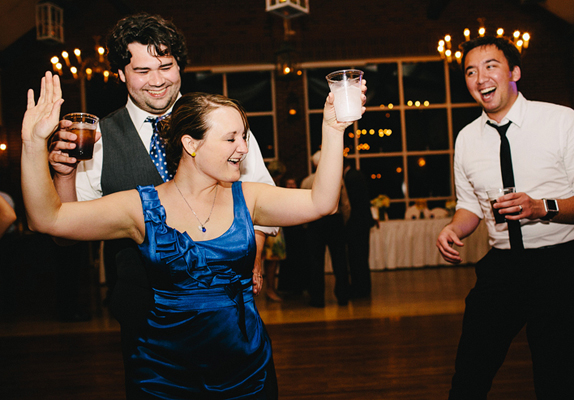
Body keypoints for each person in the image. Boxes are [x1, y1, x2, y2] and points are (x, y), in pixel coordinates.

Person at [21, 72, 366, 398]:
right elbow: (47, 219)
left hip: (246, 371)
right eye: (231, 138)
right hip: (163, 375)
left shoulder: (250, 197)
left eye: (243, 136)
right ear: (191, 144)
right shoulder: (141, 207)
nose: (243, 148)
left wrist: (333, 130)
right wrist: (33, 143)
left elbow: (324, 203)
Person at [48, 13, 277, 395]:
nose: (157, 80)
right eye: (142, 70)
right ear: (120, 74)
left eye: (166, 66)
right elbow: (65, 234)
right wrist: (63, 175)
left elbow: (262, 204)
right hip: (144, 318)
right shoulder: (99, 138)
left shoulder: (222, 124)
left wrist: (253, 259)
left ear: (180, 66)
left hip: (226, 314)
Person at [436, 36, 574, 399]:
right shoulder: (466, 139)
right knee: (469, 373)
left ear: (515, 73)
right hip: (503, 266)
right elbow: (470, 207)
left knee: (556, 376)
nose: (480, 78)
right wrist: (453, 228)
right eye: (470, 71)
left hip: (561, 264)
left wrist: (541, 207)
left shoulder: (561, 121)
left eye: (491, 66)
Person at [301, 150, 351, 307]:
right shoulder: (338, 180)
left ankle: (317, 299)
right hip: (335, 221)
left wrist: (306, 225)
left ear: (314, 164)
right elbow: (346, 205)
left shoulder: (307, 181)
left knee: (315, 262)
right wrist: (342, 221)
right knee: (340, 261)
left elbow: (302, 206)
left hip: (315, 223)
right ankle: (343, 296)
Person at [343, 159, 378, 299]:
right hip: (362, 223)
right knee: (361, 257)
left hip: (356, 224)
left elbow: (352, 204)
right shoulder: (356, 175)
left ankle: (359, 289)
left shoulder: (350, 177)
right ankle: (363, 287)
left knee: (357, 258)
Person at [261, 160, 287, 302]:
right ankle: (270, 289)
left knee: (271, 261)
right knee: (272, 261)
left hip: (273, 225)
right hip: (272, 227)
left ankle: (271, 288)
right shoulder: (270, 185)